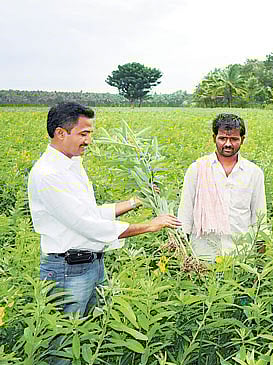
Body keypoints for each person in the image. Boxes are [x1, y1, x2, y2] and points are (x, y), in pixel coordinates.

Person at [28, 102, 182, 317]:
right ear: (60, 133)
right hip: (68, 271)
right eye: (83, 134)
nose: (88, 141)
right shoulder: (48, 174)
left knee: (91, 332)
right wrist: (150, 226)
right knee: (62, 340)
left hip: (91, 264)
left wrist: (136, 201)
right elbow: (88, 225)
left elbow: (89, 213)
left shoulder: (73, 165)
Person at [177, 113, 267, 262]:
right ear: (214, 138)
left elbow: (259, 216)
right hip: (203, 254)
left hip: (240, 255)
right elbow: (185, 213)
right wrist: (183, 254)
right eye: (222, 138)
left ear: (242, 140)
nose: (228, 144)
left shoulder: (253, 173)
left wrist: (259, 261)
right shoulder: (197, 169)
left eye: (234, 139)